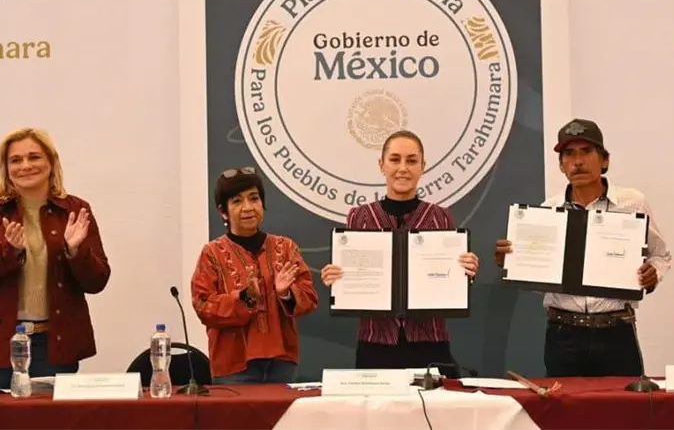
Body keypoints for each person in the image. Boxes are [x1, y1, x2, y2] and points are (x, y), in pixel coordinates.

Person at [495, 119, 671, 377]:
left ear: (604, 160)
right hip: (564, 334)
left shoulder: (632, 203)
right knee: (565, 403)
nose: (578, 161)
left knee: (623, 402)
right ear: (561, 165)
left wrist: (652, 274)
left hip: (616, 331)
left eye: (586, 151)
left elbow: (660, 255)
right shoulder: (547, 211)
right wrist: (515, 262)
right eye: (569, 154)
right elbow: (543, 279)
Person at [320, 130, 480, 378]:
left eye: (411, 160)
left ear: (423, 166)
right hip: (375, 342)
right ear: (381, 165)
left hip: (430, 341)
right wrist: (336, 279)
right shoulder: (360, 217)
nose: (403, 168)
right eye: (395, 159)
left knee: (434, 403)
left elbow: (450, 277)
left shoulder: (440, 217)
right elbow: (350, 275)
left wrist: (465, 272)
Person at [0, 128, 110, 388]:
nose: (25, 165)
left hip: (55, 344)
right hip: (4, 344)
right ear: (6, 169)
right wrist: (10, 252)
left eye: (34, 157)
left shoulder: (75, 210)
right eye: (15, 160)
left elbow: (97, 282)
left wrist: (75, 251)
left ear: (51, 162)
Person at [191, 167, 318, 384]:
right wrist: (244, 298)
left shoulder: (285, 247)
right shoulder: (211, 253)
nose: (248, 208)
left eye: (254, 198)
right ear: (223, 211)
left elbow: (309, 297)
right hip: (233, 366)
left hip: (282, 362)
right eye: (237, 201)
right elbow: (203, 306)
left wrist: (286, 293)